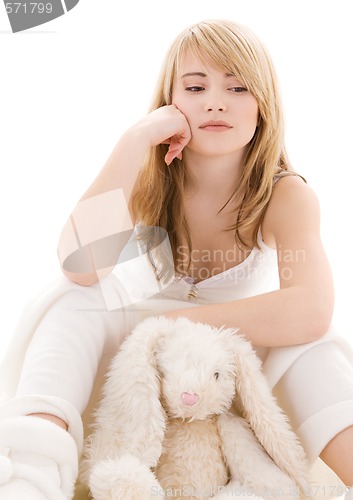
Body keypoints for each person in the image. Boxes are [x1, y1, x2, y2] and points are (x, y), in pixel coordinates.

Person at [0, 19, 352, 499]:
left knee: (315, 345)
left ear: (263, 107)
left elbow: (310, 309)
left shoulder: (285, 194)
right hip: (136, 360)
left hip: (223, 363)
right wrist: (137, 137)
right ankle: (32, 473)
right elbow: (79, 264)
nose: (214, 101)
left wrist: (177, 320)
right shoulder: (147, 177)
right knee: (70, 299)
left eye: (237, 87)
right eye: (195, 86)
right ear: (170, 100)